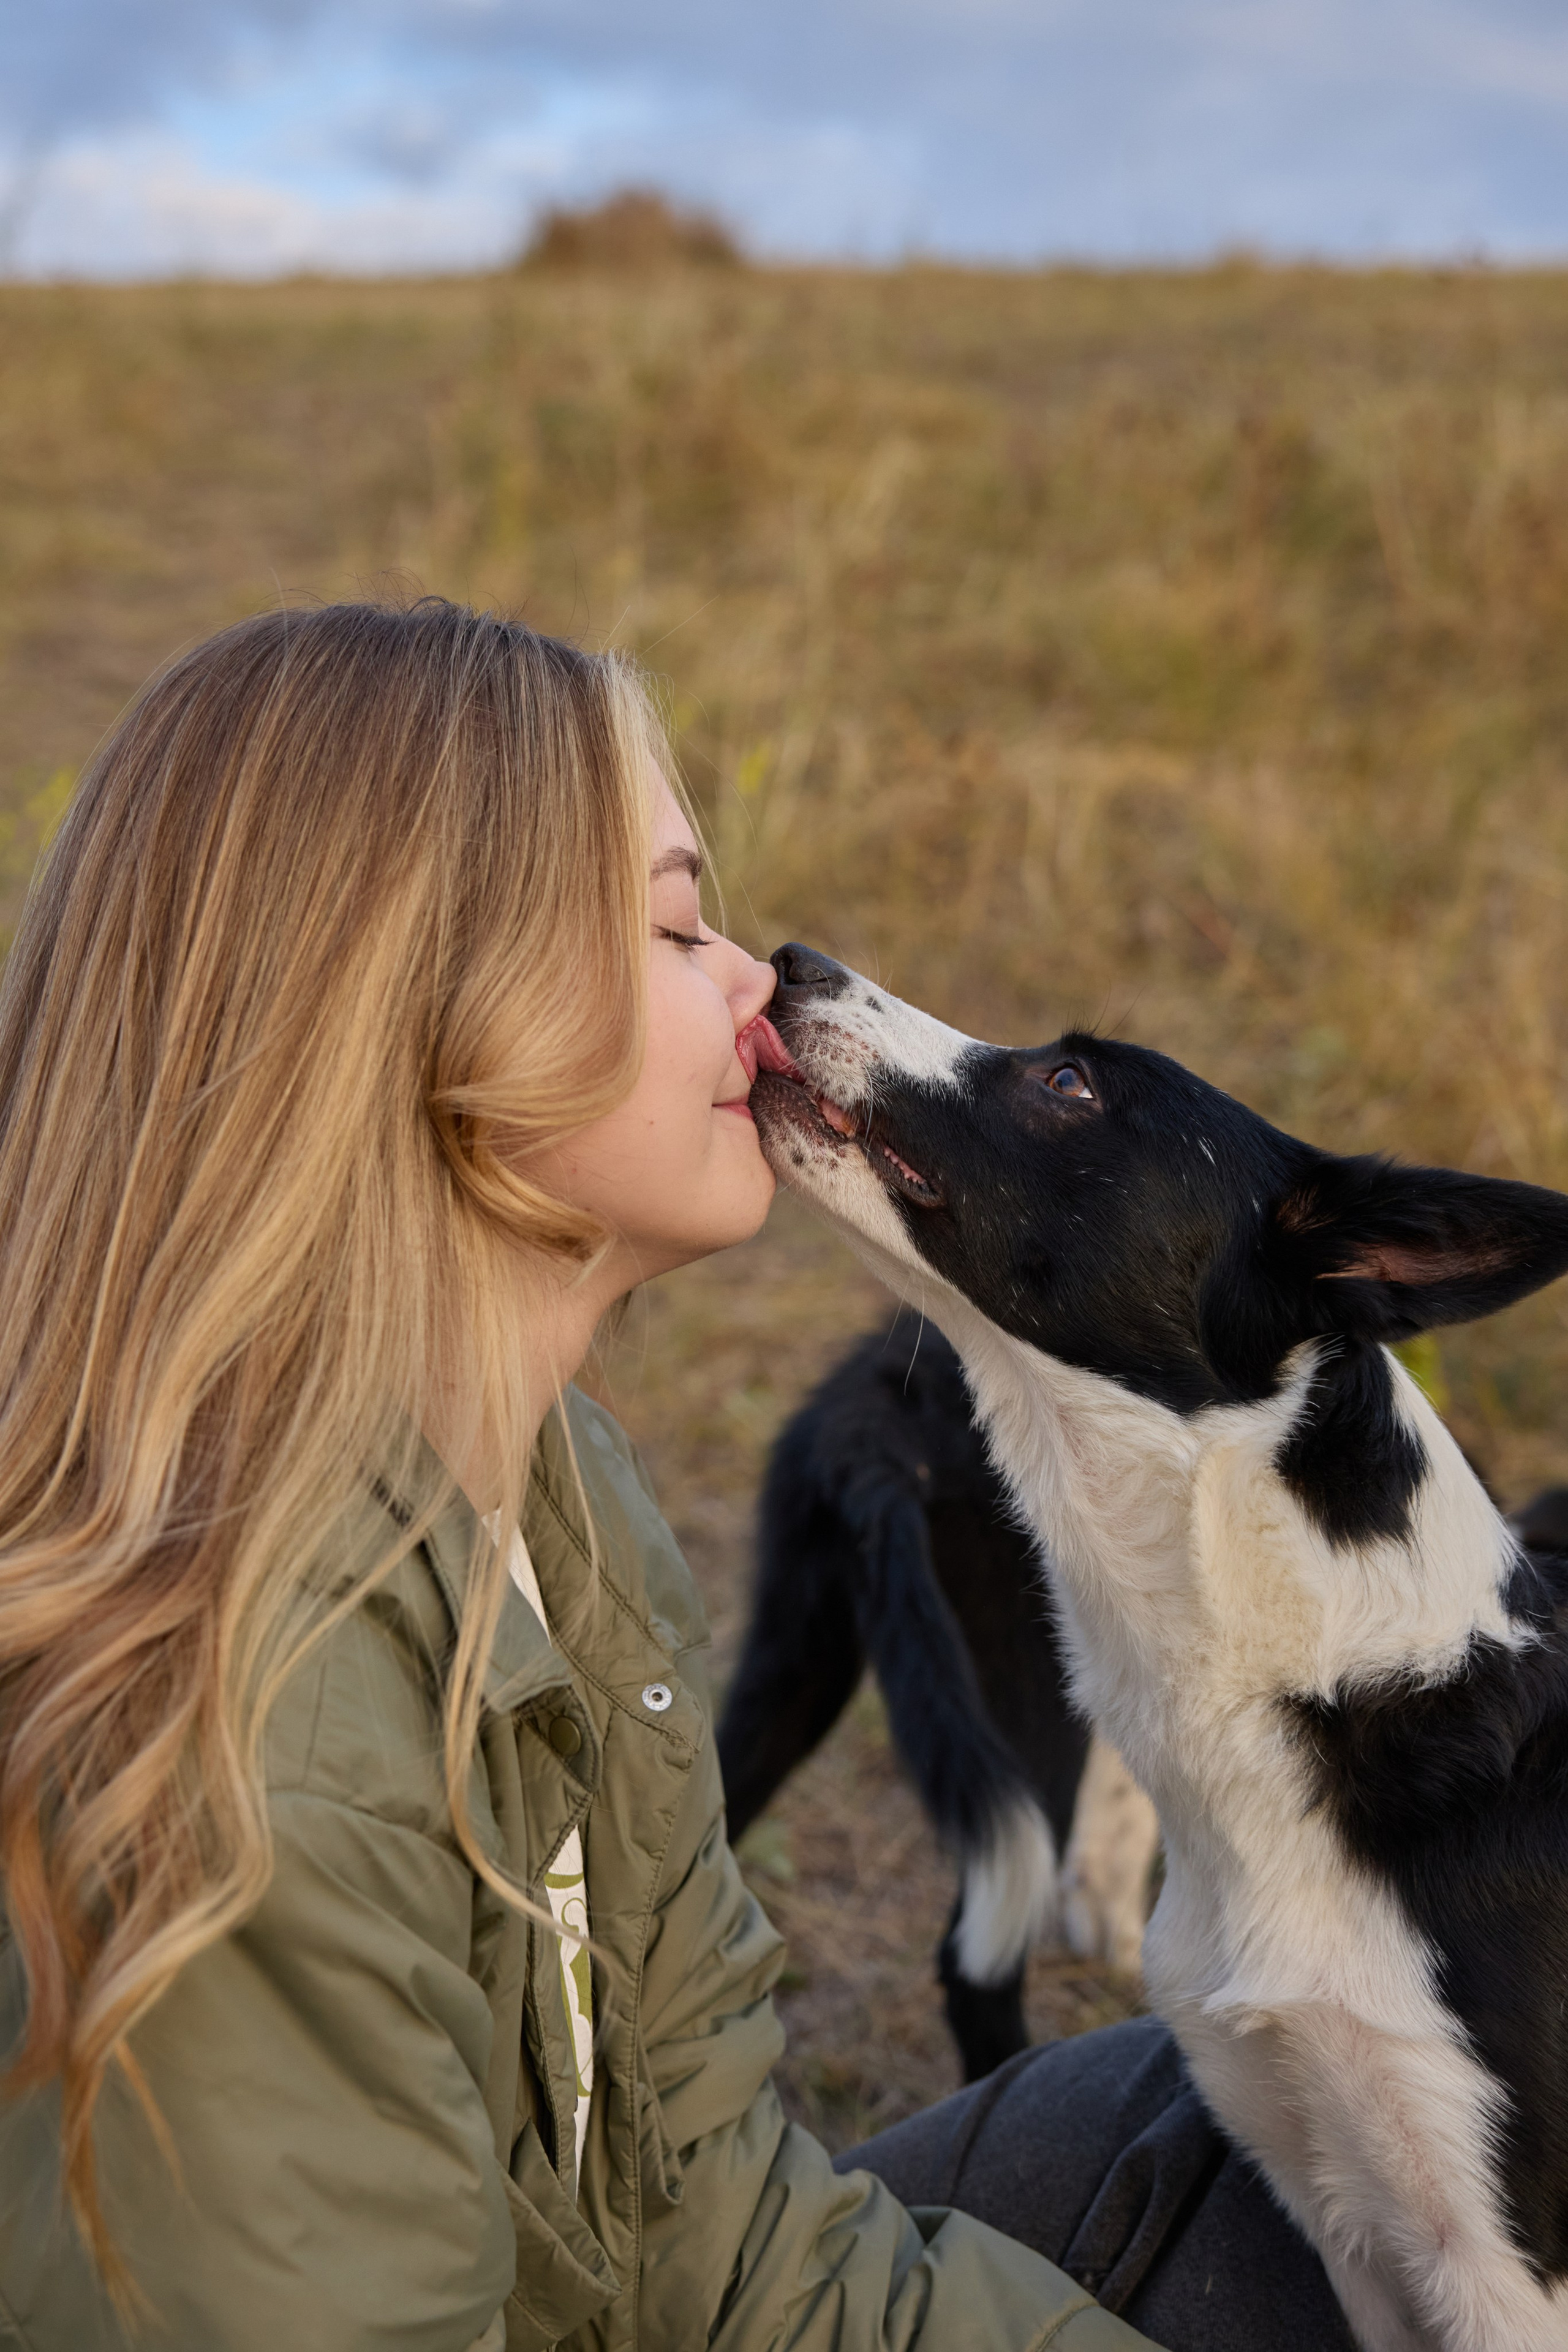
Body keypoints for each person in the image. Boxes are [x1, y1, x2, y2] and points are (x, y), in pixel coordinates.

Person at [0, 600, 1348, 2352]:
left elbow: (693, 2225)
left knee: (1325, 2117)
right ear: (409, 1014)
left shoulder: (562, 1500)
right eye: (670, 924)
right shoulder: (256, 1745)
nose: (752, 977)